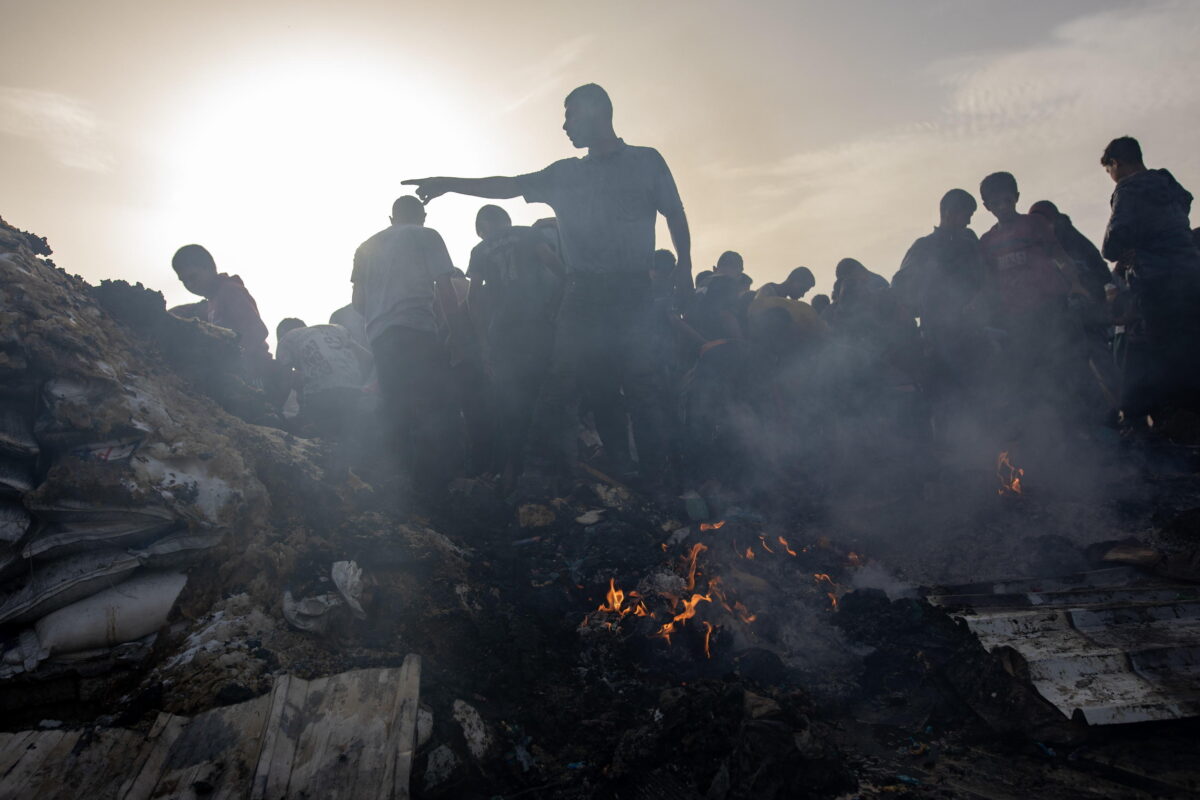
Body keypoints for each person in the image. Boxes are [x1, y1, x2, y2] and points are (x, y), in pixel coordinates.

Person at [403, 83, 692, 493]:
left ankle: (656, 477)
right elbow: (508, 185)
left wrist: (686, 266)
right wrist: (449, 183)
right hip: (583, 294)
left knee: (643, 382)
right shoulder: (564, 175)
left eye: (569, 114)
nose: (564, 125)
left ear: (595, 112)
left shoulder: (646, 162)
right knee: (591, 382)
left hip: (632, 291)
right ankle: (618, 471)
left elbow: (674, 212)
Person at [351, 195, 464, 490]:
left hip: (380, 337)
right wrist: (458, 333)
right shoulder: (426, 235)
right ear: (422, 216)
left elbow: (358, 302)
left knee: (395, 407)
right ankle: (439, 481)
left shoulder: (365, 247)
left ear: (391, 218)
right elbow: (445, 288)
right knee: (436, 404)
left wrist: (380, 317)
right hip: (417, 329)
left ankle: (402, 483)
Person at [1100, 136, 1200, 418]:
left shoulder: (1128, 189)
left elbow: (1111, 246)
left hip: (1157, 285)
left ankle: (1177, 426)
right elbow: (1186, 200)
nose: (1112, 177)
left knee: (1165, 358)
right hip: (1192, 275)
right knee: (1193, 351)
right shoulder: (1166, 181)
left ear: (1116, 163)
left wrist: (1135, 245)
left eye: (1109, 171)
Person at [466, 204, 563, 482]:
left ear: (481, 228)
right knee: (542, 396)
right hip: (537, 327)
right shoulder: (527, 235)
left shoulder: (479, 250)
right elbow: (557, 267)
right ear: (507, 220)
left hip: (503, 334)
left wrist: (483, 342)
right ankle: (546, 470)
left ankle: (509, 471)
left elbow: (473, 300)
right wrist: (556, 306)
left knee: (509, 404)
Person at [170, 244, 271, 387]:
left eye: (193, 277)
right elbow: (194, 310)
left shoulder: (230, 291)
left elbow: (257, 332)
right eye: (184, 281)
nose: (190, 284)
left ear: (210, 268)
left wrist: (231, 363)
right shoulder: (212, 301)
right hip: (242, 374)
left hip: (259, 373)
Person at [275, 318, 371, 443]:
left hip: (321, 395)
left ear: (281, 334)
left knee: (325, 439)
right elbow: (367, 359)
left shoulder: (286, 339)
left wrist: (275, 407)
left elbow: (284, 381)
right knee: (351, 435)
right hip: (353, 390)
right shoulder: (335, 328)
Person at [1029, 200, 1112, 303]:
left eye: (1042, 221)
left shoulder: (1070, 240)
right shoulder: (1034, 245)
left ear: (1053, 220)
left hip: (1087, 298)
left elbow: (1102, 269)